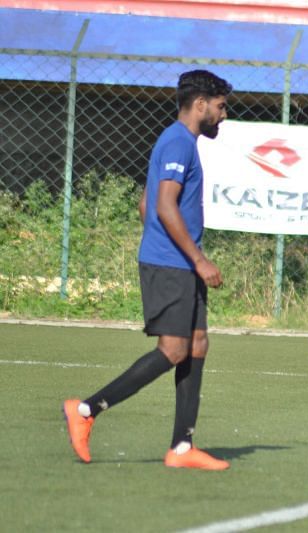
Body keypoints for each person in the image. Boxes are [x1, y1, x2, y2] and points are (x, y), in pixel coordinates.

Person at [62, 70, 232, 470]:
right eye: (221, 107)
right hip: (172, 264)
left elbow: (146, 205)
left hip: (172, 261)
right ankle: (86, 410)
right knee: (173, 350)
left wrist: (166, 244)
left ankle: (182, 448)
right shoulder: (178, 141)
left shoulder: (179, 142)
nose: (224, 116)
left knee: (197, 343)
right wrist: (196, 259)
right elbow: (164, 206)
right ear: (201, 103)